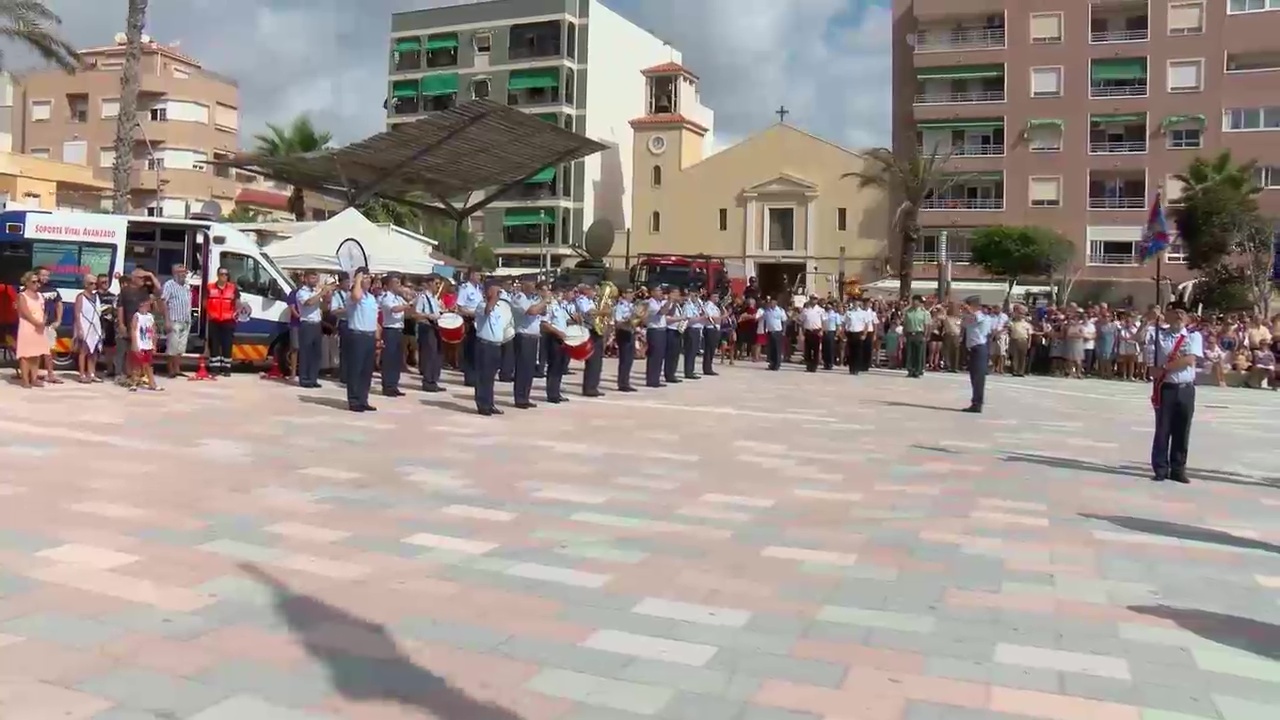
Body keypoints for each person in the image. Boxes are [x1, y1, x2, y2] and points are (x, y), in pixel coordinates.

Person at [1150, 308, 1202, 483]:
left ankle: (1178, 469)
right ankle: (1160, 468)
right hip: (1166, 387)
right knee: (1163, 429)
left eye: (1183, 314)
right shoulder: (1160, 334)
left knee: (1182, 430)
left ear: (1187, 318)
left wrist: (1165, 367)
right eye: (1176, 313)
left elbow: (1189, 360)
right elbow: (1149, 353)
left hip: (1186, 388)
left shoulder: (1193, 336)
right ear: (1168, 316)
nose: (1179, 316)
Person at [344, 268, 380, 412]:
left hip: (369, 336)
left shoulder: (371, 297)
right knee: (356, 369)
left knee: (366, 371)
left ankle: (363, 399)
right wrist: (357, 279)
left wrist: (377, 337)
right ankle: (354, 400)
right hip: (357, 335)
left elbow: (374, 319)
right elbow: (356, 296)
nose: (368, 280)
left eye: (368, 278)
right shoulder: (353, 295)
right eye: (364, 277)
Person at [473, 282, 509, 416]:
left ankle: (490, 403)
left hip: (496, 345)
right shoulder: (481, 305)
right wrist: (493, 297)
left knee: (491, 377)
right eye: (495, 291)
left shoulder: (499, 307)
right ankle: (482, 405)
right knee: (483, 377)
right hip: (485, 345)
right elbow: (487, 311)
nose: (498, 294)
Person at [512, 277, 548, 407]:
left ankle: (525, 396)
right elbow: (532, 311)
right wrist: (544, 300)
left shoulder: (532, 299)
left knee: (529, 370)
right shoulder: (519, 298)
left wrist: (542, 300)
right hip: (523, 336)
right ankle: (520, 398)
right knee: (522, 368)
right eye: (531, 283)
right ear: (523, 284)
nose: (533, 286)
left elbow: (542, 311)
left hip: (533, 337)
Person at [294, 270, 332, 389]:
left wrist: (327, 298)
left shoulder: (316, 291)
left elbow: (324, 308)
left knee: (316, 353)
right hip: (307, 323)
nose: (314, 281)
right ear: (305, 279)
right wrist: (321, 294)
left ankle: (313, 378)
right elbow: (308, 303)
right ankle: (304, 379)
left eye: (316, 279)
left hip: (317, 323)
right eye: (312, 278)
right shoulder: (301, 292)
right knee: (306, 352)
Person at [378, 272, 410, 397]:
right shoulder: (386, 297)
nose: (399, 285)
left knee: (397, 360)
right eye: (396, 282)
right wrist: (407, 305)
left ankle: (394, 384)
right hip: (390, 330)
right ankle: (387, 386)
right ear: (389, 284)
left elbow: (407, 310)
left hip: (399, 330)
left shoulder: (398, 297)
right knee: (389, 359)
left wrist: (409, 301)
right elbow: (394, 309)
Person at [14, 271, 47, 389]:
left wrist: (43, 322)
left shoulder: (40, 296)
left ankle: (34, 378)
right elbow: (24, 312)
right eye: (33, 282)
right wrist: (36, 322)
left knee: (36, 354)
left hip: (39, 327)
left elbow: (43, 310)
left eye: (38, 281)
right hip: (27, 327)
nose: (36, 284)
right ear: (26, 282)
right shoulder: (22, 296)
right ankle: (25, 380)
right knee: (25, 354)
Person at [412, 275, 445, 393]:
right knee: (429, 355)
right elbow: (415, 314)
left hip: (435, 326)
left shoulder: (434, 298)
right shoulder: (422, 297)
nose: (437, 286)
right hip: (426, 326)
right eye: (436, 283)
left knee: (438, 354)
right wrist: (428, 316)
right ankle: (428, 381)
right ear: (429, 283)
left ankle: (434, 380)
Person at [159, 264, 192, 379]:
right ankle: (170, 370)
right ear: (174, 273)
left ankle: (178, 369)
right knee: (172, 347)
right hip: (174, 320)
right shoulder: (169, 285)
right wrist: (166, 320)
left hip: (185, 320)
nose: (183, 274)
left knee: (180, 348)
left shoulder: (186, 286)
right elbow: (163, 302)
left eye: (184, 272)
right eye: (180, 272)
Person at [961, 295, 993, 413]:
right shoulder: (971, 317)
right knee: (974, 377)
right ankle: (975, 402)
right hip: (972, 349)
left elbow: (976, 317)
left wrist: (970, 310)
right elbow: (964, 324)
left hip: (980, 348)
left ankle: (977, 403)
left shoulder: (982, 317)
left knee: (979, 378)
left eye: (967, 305)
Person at [205, 266, 239, 377]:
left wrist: (236, 312)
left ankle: (227, 369)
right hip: (214, 320)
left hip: (228, 320)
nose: (224, 276)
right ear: (218, 275)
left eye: (225, 274)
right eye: (221, 274)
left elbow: (237, 302)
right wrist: (208, 313)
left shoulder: (233, 288)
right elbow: (204, 302)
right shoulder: (210, 287)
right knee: (214, 344)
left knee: (227, 345)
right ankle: (214, 369)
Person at [541, 283, 571, 403]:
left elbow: (564, 321)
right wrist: (558, 333)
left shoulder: (562, 306)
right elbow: (545, 324)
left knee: (560, 367)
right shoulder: (550, 306)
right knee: (554, 366)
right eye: (559, 292)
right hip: (553, 338)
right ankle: (552, 394)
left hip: (563, 339)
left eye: (562, 292)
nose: (561, 295)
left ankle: (556, 392)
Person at [34, 266, 63, 384]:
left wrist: (58, 320)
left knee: (49, 351)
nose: (46, 277)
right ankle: (33, 374)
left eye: (47, 275)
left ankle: (50, 374)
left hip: (49, 325)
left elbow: (59, 304)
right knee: (35, 351)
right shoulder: (32, 289)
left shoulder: (53, 290)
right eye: (43, 275)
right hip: (35, 325)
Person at [454, 269, 483, 387]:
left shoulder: (478, 289)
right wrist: (473, 314)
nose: (480, 277)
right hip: (469, 321)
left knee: (477, 351)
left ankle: (476, 376)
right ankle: (470, 377)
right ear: (471, 275)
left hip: (478, 321)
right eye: (478, 274)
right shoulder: (465, 288)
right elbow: (460, 307)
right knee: (470, 350)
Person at [73, 274, 103, 383]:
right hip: (85, 326)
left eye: (96, 283)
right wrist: (79, 329)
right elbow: (77, 314)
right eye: (91, 283)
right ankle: (82, 374)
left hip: (95, 326)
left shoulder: (97, 296)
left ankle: (92, 373)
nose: (94, 285)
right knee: (84, 351)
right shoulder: (80, 297)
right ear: (85, 284)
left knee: (94, 351)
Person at [576, 284, 606, 397]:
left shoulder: (592, 300)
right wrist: (603, 312)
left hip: (596, 331)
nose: (595, 292)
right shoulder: (581, 300)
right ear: (586, 290)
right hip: (589, 331)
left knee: (597, 362)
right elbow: (588, 312)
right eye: (593, 289)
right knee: (592, 361)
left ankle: (593, 386)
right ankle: (588, 388)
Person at [128, 296, 161, 392]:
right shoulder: (137, 316)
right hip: (140, 344)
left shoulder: (150, 317)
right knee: (137, 365)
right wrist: (134, 343)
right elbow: (133, 330)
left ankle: (151, 383)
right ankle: (135, 383)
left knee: (148, 364)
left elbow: (153, 331)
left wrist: (154, 343)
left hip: (148, 344)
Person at [614, 286, 639, 391]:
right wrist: (628, 321)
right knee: (624, 359)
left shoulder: (632, 306)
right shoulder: (620, 306)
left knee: (629, 359)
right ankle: (622, 383)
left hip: (631, 332)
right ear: (623, 294)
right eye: (629, 292)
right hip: (623, 332)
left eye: (632, 292)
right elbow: (617, 321)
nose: (631, 295)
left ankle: (626, 382)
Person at [643, 286, 669, 388]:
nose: (661, 293)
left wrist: (672, 301)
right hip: (654, 331)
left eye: (661, 291)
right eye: (658, 291)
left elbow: (668, 311)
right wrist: (669, 300)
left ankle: (656, 379)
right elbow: (661, 312)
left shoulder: (660, 302)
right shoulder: (650, 303)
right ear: (652, 292)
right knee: (654, 356)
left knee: (659, 356)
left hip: (662, 330)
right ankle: (651, 380)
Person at [902, 295, 929, 378]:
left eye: (916, 301)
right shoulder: (908, 312)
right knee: (910, 353)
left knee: (918, 353)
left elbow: (926, 325)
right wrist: (904, 334)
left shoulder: (924, 312)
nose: (914, 302)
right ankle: (910, 370)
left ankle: (918, 370)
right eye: (913, 300)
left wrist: (925, 335)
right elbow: (905, 324)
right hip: (910, 333)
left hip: (919, 334)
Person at [681, 291, 704, 380]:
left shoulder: (696, 306)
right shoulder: (688, 306)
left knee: (694, 351)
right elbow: (689, 320)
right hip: (691, 329)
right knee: (690, 352)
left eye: (697, 296)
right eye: (695, 296)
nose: (697, 297)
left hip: (697, 330)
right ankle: (688, 371)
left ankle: (691, 370)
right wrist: (701, 318)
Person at [799, 299, 824, 373]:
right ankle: (809, 365)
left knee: (816, 350)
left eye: (815, 299)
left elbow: (824, 321)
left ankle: (814, 366)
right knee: (808, 350)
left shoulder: (820, 310)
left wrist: (822, 330)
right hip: (808, 331)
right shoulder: (805, 310)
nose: (813, 301)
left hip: (816, 331)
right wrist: (802, 331)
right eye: (812, 299)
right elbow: (801, 320)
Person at [762, 296, 786, 371]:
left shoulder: (780, 311)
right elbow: (765, 321)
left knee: (777, 349)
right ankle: (771, 364)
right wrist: (764, 330)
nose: (771, 303)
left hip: (777, 332)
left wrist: (784, 331)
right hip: (770, 332)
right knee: (771, 349)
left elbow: (784, 321)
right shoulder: (767, 311)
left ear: (776, 303)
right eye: (770, 302)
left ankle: (777, 364)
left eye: (773, 302)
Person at [701, 292, 722, 377]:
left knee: (712, 350)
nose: (717, 298)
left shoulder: (715, 307)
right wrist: (722, 317)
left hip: (715, 329)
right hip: (710, 328)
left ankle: (709, 367)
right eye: (715, 296)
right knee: (709, 350)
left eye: (717, 296)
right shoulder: (708, 306)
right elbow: (710, 318)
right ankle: (707, 368)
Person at [820, 301, 841, 371]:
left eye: (829, 305)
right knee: (824, 348)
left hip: (831, 332)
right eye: (827, 305)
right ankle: (825, 363)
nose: (828, 307)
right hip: (824, 332)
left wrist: (836, 335)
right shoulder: (824, 314)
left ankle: (830, 363)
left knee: (831, 349)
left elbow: (838, 326)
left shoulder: (835, 315)